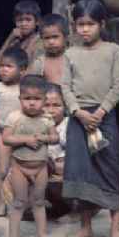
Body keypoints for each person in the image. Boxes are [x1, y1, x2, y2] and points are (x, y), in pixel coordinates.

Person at [61, 0, 119, 237]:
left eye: (90, 24)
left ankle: (115, 230)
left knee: (109, 169)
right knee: (82, 173)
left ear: (101, 23)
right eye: (80, 24)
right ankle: (86, 227)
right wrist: (78, 112)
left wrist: (100, 112)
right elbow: (65, 86)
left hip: (104, 117)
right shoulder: (70, 54)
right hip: (79, 119)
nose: (85, 29)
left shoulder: (113, 50)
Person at [1, 74, 58, 237]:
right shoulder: (14, 117)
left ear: (44, 99)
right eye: (27, 98)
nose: (32, 103)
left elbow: (55, 138)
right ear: (20, 98)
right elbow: (6, 139)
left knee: (39, 201)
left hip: (41, 168)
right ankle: (13, 236)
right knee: (18, 202)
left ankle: (42, 233)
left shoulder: (47, 118)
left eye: (37, 99)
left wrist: (45, 137)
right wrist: (26, 140)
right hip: (20, 167)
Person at [0, 47, 27, 217]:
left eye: (9, 66)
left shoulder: (27, 89)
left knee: (22, 168)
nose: (3, 69)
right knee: (3, 169)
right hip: (3, 135)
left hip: (23, 135)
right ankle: (2, 203)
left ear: (23, 70)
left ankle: (22, 202)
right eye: (2, 66)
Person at [43, 83, 71, 220]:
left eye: (56, 105)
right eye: (46, 105)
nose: (51, 110)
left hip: (65, 174)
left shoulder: (70, 125)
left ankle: (75, 209)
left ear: (65, 106)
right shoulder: (35, 124)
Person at [0, 0, 44, 68]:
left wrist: (32, 42)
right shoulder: (15, 42)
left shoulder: (40, 40)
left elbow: (26, 65)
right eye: (20, 20)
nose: (23, 24)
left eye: (28, 20)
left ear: (37, 22)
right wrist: (9, 39)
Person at [28, 13, 69, 85]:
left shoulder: (73, 59)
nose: (51, 42)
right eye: (47, 38)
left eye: (55, 37)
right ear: (42, 39)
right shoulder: (40, 63)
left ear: (65, 37)